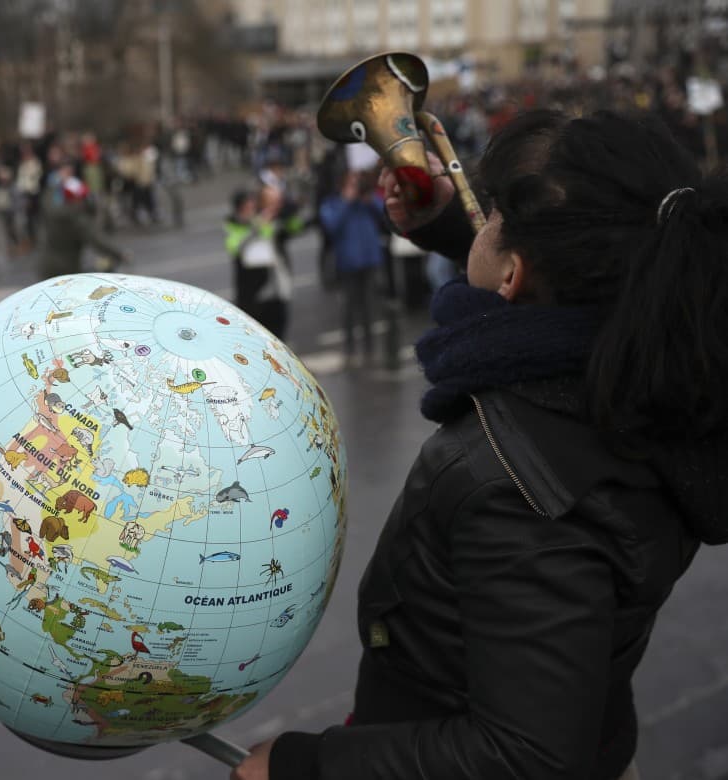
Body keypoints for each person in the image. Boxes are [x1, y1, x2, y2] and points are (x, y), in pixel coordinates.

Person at [231, 110, 728, 780]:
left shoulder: (522, 493)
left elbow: (527, 756)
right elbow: (574, 270)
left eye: (490, 214)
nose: (480, 217)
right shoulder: (657, 359)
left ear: (516, 275)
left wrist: (306, 766)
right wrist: (450, 229)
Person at [318, 170, 385, 364]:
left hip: (369, 259)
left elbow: (384, 215)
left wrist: (369, 199)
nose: (355, 187)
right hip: (347, 262)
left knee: (368, 305)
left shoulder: (367, 202)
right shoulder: (332, 203)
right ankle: (350, 347)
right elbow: (331, 226)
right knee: (349, 305)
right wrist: (347, 202)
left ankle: (369, 346)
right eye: (351, 183)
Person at [225, 186, 302, 339]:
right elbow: (235, 247)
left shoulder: (267, 222)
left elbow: (293, 229)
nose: (251, 210)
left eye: (253, 206)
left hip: (275, 291)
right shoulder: (236, 226)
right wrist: (257, 226)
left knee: (279, 337)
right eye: (247, 207)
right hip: (251, 297)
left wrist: (287, 211)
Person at [38, 177, 125, 280]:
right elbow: (97, 241)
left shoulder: (53, 211)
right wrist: (120, 255)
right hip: (67, 268)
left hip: (46, 264)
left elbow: (47, 197)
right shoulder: (78, 219)